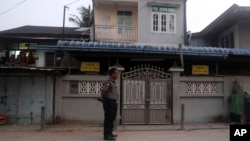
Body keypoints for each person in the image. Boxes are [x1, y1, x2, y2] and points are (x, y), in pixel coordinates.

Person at [100, 68, 119, 140]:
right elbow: (103, 92)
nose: (117, 75)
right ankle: (106, 136)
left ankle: (110, 133)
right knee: (108, 119)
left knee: (112, 119)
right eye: (116, 73)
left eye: (118, 73)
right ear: (112, 74)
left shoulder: (113, 82)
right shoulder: (108, 82)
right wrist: (104, 100)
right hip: (109, 102)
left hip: (113, 102)